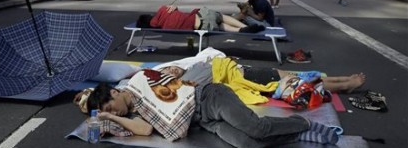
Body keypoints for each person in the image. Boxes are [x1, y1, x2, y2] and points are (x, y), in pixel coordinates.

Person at [85, 78, 340, 147]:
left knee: (256, 128)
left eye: (110, 107)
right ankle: (295, 136)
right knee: (247, 144)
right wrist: (108, 117)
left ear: (116, 93)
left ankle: (302, 124)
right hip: (205, 122)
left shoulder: (138, 83)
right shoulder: (135, 115)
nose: (112, 111)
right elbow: (146, 129)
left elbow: (172, 76)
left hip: (209, 98)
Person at [160, 62, 366, 94]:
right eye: (168, 71)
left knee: (301, 76)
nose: (172, 69)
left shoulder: (192, 67)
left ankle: (343, 80)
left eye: (171, 66)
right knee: (303, 82)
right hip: (252, 78)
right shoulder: (188, 81)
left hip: (249, 70)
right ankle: (347, 84)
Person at [136, 5, 264, 33]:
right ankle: (243, 27)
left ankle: (239, 31)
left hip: (204, 27)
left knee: (218, 26)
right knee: (221, 16)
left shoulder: (163, 28)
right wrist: (174, 7)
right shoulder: (163, 10)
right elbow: (174, 9)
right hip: (203, 17)